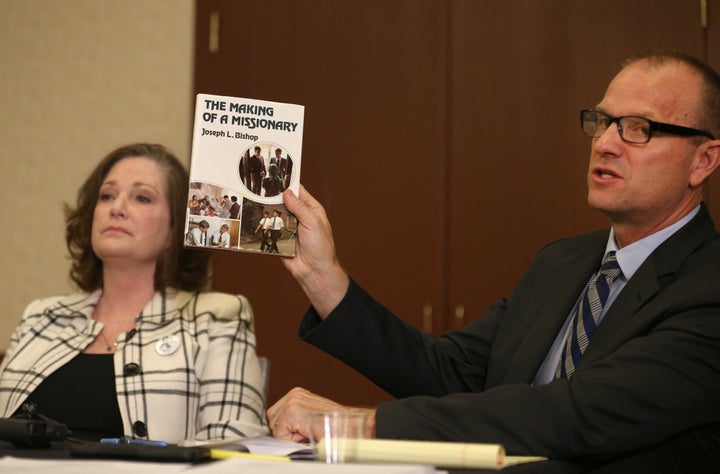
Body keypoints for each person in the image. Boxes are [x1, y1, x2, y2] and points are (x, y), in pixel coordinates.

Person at [267, 51, 720, 472]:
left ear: (703, 160)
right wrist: (323, 278)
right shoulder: (562, 262)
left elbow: (576, 414)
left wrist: (360, 425)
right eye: (602, 121)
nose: (604, 143)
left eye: (638, 128)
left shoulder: (708, 288)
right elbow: (447, 372)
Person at [0, 143, 268, 442]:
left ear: (175, 228)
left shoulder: (216, 318)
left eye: (142, 197)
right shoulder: (42, 316)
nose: (117, 208)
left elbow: (233, 451)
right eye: (106, 196)